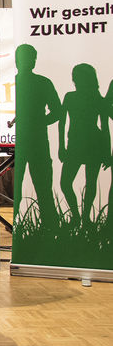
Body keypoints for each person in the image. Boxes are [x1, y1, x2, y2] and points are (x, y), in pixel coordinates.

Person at [13, 44, 61, 225]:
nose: (27, 62)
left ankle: (50, 227)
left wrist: (39, 122)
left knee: (43, 187)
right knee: (17, 186)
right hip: (21, 141)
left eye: (30, 58)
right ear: (17, 61)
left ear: (34, 61)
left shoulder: (43, 82)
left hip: (39, 141)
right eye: (24, 58)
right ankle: (15, 226)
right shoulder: (15, 81)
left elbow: (58, 111)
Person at [58, 63, 110, 225]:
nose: (76, 80)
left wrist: (107, 153)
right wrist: (61, 146)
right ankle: (77, 216)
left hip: (94, 143)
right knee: (66, 183)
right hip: (75, 143)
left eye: (80, 77)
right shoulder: (70, 97)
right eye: (76, 77)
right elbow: (61, 122)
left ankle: (85, 217)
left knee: (90, 182)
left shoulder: (98, 100)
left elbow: (105, 127)